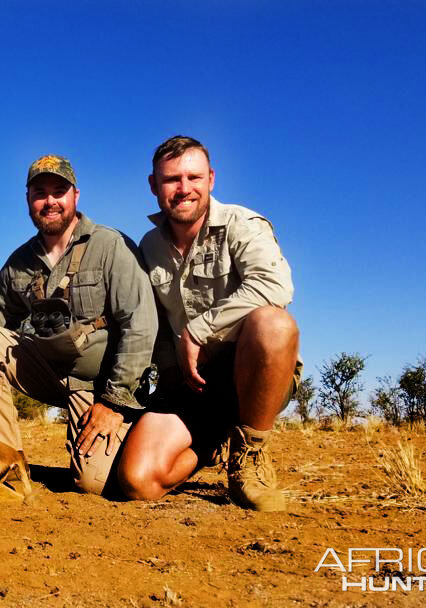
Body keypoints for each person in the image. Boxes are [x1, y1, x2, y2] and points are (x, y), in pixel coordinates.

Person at [0, 154, 157, 496]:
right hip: (48, 370)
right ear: (28, 201)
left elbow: (140, 324)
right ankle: (1, 466)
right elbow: (0, 314)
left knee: (93, 483)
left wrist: (113, 402)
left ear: (75, 196)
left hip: (98, 385)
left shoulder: (111, 245)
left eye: (58, 191)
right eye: (39, 193)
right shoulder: (19, 261)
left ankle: (145, 427)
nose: (49, 201)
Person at [117, 135, 300, 511]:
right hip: (190, 387)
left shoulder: (241, 224)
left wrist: (198, 330)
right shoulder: (149, 245)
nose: (184, 189)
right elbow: (155, 324)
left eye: (194, 177)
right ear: (154, 185)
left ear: (211, 179)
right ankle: (212, 441)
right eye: (171, 180)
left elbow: (276, 285)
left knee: (274, 325)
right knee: (138, 481)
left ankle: (250, 455)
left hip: (248, 380)